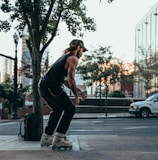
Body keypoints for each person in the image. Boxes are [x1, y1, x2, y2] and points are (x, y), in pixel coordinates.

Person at [38, 39, 87, 150]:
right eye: (82, 50)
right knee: (70, 109)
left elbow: (65, 81)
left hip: (43, 86)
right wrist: (76, 96)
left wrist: (79, 91)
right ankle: (59, 139)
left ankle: (46, 138)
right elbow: (71, 78)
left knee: (57, 110)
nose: (82, 54)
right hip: (52, 87)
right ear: (79, 48)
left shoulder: (64, 57)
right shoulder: (73, 58)